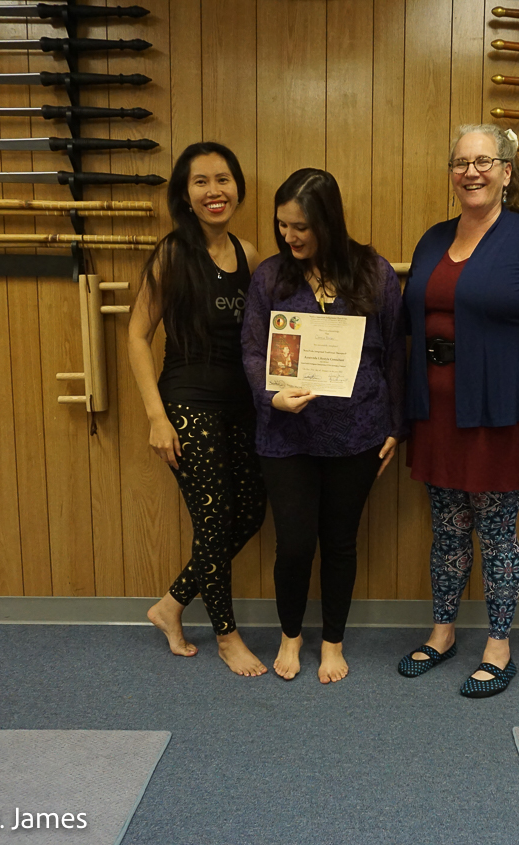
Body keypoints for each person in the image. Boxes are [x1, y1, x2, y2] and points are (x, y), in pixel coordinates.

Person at [397, 124, 519, 698]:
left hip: (500, 414)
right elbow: (406, 322)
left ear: (506, 171)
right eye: (460, 162)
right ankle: (443, 633)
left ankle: (499, 646)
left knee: (496, 534)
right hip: (437, 413)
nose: (470, 172)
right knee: (447, 530)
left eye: (483, 161)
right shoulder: (432, 239)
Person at [241, 168, 406, 684]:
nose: (289, 236)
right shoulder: (271, 276)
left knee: (339, 541)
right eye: (282, 225)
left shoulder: (375, 273)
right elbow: (251, 350)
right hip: (285, 435)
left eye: (301, 227)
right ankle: (290, 635)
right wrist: (271, 395)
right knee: (293, 544)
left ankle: (333, 641)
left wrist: (397, 427)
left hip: (357, 432)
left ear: (328, 222)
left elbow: (395, 354)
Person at [129, 142, 269, 676]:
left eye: (223, 179)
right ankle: (227, 637)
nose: (215, 191)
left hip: (242, 405)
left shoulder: (248, 253)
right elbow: (137, 336)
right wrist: (156, 417)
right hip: (188, 404)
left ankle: (170, 605)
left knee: (249, 513)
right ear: (184, 195)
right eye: (201, 182)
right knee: (214, 523)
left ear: (237, 187)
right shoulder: (173, 254)